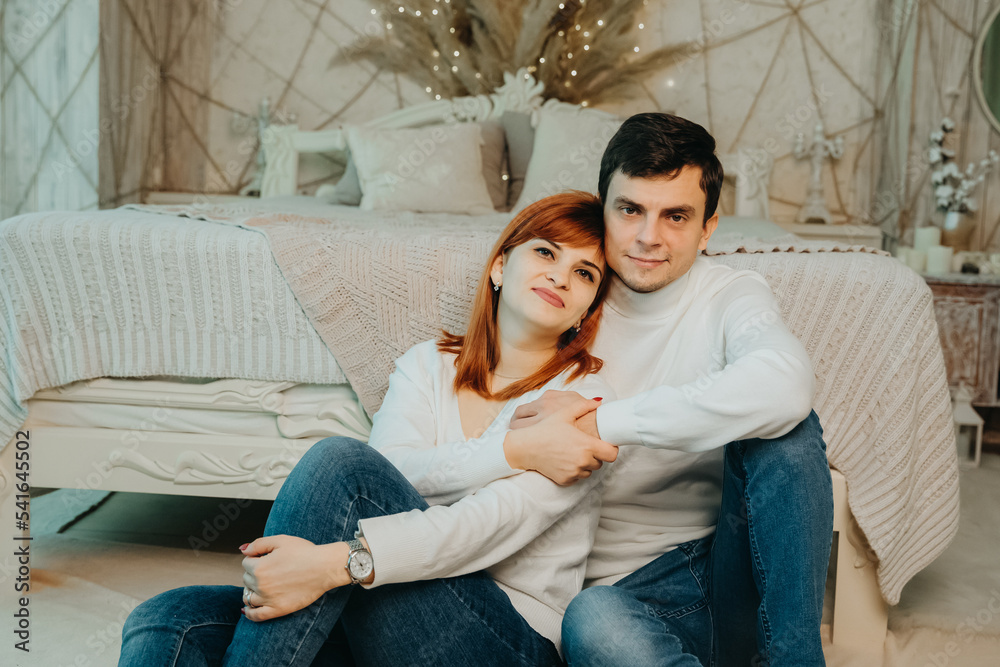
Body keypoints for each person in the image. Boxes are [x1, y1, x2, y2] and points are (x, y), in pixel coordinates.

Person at [118, 191, 620, 667]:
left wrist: (333, 565)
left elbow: (482, 529)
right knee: (168, 618)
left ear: (587, 309)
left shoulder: (584, 403)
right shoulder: (426, 365)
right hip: (392, 604)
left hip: (506, 640)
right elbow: (394, 473)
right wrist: (511, 452)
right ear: (499, 265)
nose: (559, 277)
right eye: (545, 253)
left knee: (340, 463)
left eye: (583, 272)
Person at [503, 113, 834, 666]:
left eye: (675, 216)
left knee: (789, 431)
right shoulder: (566, 290)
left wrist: (603, 423)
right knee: (592, 618)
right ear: (602, 207)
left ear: (708, 229)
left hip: (723, 574)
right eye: (630, 210)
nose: (648, 237)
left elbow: (786, 384)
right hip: (620, 600)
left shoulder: (730, 294)